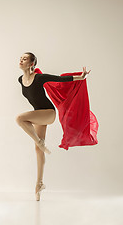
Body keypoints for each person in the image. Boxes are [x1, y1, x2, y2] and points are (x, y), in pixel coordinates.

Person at [16, 52, 91, 201]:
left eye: (25, 59)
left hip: (48, 113)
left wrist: (80, 77)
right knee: (38, 150)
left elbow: (60, 79)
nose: (21, 60)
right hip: (39, 115)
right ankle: (39, 184)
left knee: (20, 118)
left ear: (31, 64)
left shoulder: (39, 78)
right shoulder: (20, 79)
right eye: (20, 58)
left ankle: (40, 142)